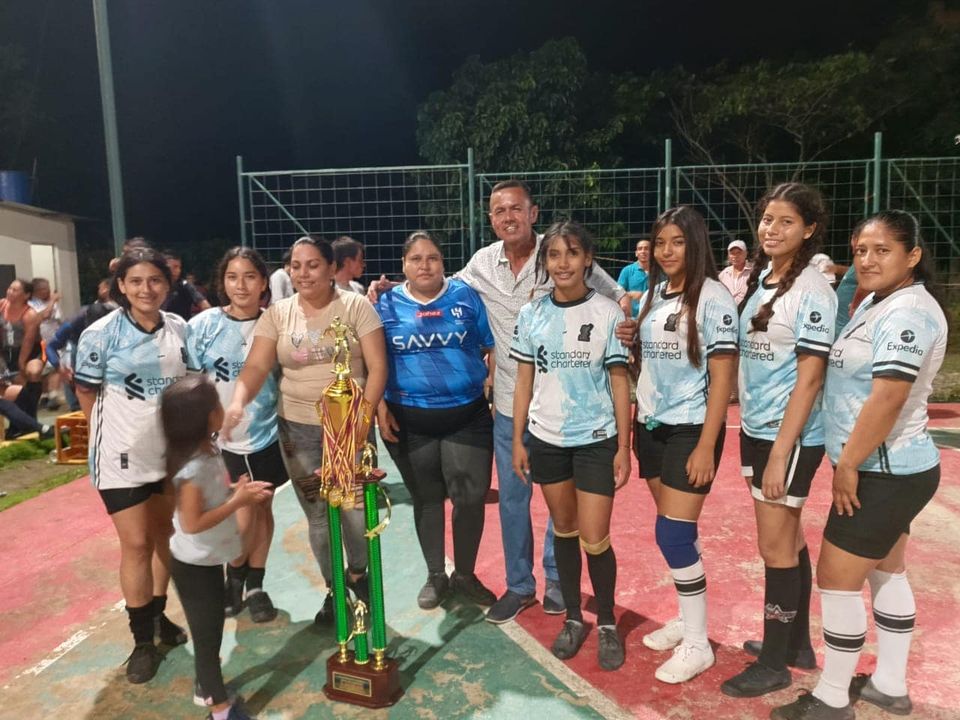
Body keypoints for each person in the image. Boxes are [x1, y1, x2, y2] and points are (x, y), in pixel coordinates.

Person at [772, 211, 947, 720]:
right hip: (894, 466)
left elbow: (889, 396)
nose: (868, 260)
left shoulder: (908, 311)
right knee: (886, 570)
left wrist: (848, 463)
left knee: (836, 578)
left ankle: (831, 697)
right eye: (861, 250)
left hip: (881, 470)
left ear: (912, 256)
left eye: (882, 250)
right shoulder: (880, 301)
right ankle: (889, 685)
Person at [456, 180, 628, 625]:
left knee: (561, 504)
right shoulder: (481, 264)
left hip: (567, 409)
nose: (507, 217)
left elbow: (617, 297)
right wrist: (388, 293)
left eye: (516, 208)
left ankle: (556, 578)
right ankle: (519, 585)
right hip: (512, 404)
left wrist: (630, 325)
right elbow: (444, 288)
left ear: (532, 213)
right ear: (491, 219)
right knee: (513, 501)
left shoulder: (559, 252)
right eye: (499, 211)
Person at [223, 235, 388, 624]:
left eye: (313, 265)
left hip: (349, 428)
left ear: (332, 268)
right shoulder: (278, 314)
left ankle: (357, 574)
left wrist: (361, 421)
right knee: (318, 516)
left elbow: (378, 367)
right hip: (297, 432)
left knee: (353, 514)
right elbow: (256, 366)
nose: (303, 273)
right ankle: (334, 591)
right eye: (295, 266)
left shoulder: (356, 307)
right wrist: (238, 401)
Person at [720, 183, 836, 699]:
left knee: (775, 548)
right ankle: (797, 646)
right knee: (790, 539)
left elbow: (810, 379)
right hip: (757, 428)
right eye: (768, 219)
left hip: (786, 436)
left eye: (786, 221)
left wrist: (782, 452)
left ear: (809, 230)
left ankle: (772, 663)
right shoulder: (764, 278)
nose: (772, 229)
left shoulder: (813, 291)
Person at [510, 221, 631, 670]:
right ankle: (575, 618)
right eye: (554, 254)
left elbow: (619, 381)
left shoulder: (607, 313)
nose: (563, 263)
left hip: (596, 439)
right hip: (547, 439)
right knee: (564, 529)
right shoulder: (532, 314)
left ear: (587, 259)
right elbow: (524, 381)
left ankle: (607, 622)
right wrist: (519, 439)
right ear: (545, 261)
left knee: (595, 537)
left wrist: (624, 446)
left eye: (572, 253)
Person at [74, 247, 193, 684]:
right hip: (120, 458)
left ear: (168, 284)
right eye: (137, 281)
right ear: (121, 286)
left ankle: (158, 618)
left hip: (168, 455)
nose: (147, 289)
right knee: (137, 544)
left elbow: (189, 386)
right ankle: (142, 642)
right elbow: (85, 391)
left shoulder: (180, 328)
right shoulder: (100, 334)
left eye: (155, 280)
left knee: (165, 537)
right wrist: (112, 435)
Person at [632, 206, 737, 684]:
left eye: (677, 241)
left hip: (691, 428)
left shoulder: (713, 297)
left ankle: (698, 643)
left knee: (673, 535)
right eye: (660, 242)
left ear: (695, 244)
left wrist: (706, 445)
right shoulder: (656, 291)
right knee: (676, 532)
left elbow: (723, 376)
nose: (667, 251)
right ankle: (685, 617)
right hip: (651, 424)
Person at [375, 231, 498, 609]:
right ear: (403, 265)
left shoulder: (465, 296)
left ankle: (465, 575)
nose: (424, 265)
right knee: (427, 499)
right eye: (415, 259)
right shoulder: (384, 304)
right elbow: (373, 360)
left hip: (467, 416)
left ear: (444, 263)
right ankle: (435, 575)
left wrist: (492, 384)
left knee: (470, 498)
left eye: (432, 258)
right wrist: (378, 405)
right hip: (409, 421)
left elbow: (491, 344)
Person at [161, 375, 271, 720]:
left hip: (205, 560)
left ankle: (206, 688)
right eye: (217, 404)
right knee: (207, 640)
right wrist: (237, 501)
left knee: (210, 633)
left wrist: (235, 491)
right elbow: (192, 522)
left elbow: (208, 500)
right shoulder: (192, 468)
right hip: (193, 566)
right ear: (209, 416)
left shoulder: (206, 451)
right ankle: (220, 711)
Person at [189, 247, 286, 623]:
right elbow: (190, 384)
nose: (241, 285)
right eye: (232, 277)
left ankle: (255, 585)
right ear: (222, 282)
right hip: (220, 442)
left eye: (249, 276)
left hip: (267, 435)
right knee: (240, 516)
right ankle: (235, 577)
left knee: (262, 508)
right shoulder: (203, 326)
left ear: (263, 282)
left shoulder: (276, 325)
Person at [0, 278, 44, 428]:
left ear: (26, 295)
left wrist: (21, 363)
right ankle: (21, 422)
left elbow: (28, 341)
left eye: (15, 290)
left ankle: (31, 416)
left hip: (30, 352)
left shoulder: (30, 314)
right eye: (10, 288)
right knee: (13, 385)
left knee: (32, 372)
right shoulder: (2, 305)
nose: (10, 292)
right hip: (7, 351)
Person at [162, 250, 211, 320]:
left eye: (179, 267)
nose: (178, 270)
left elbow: (205, 306)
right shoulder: (156, 286)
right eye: (174, 267)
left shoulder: (185, 285)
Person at [617, 237, 651, 317]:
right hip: (632, 318)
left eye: (646, 249)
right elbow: (617, 294)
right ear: (636, 253)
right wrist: (631, 294)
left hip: (653, 317)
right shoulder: (627, 270)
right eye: (640, 249)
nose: (643, 251)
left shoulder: (660, 272)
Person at [718, 239, 753, 305]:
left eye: (739, 253)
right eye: (732, 253)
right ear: (728, 255)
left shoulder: (753, 272)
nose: (735, 256)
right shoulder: (724, 273)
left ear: (746, 254)